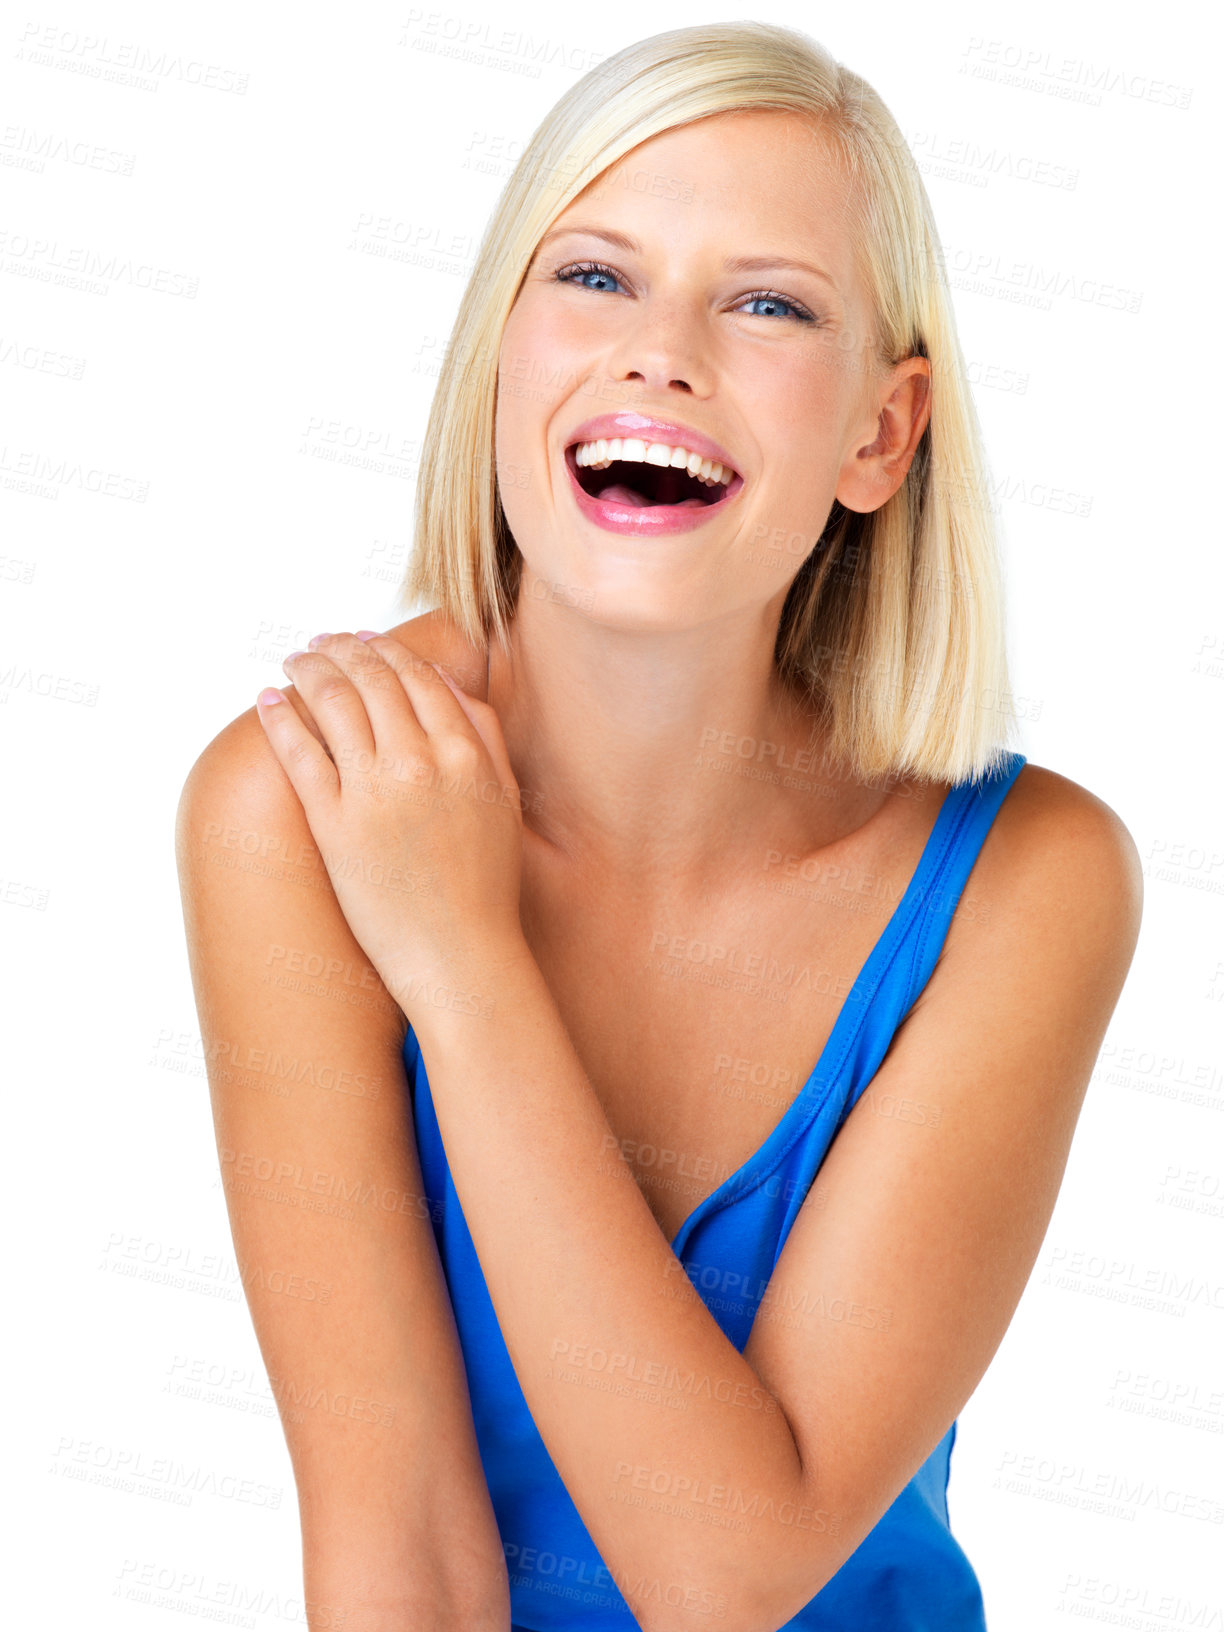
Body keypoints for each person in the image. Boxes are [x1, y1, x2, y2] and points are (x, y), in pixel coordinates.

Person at [175, 22, 1143, 1632]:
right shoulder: (293, 806)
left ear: (879, 436)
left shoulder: (1033, 880)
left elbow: (729, 1573)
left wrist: (464, 960)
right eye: (595, 278)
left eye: (767, 304)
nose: (660, 351)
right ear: (504, 348)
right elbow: (398, 1553)